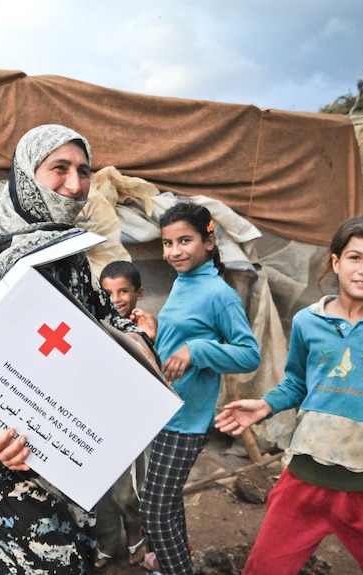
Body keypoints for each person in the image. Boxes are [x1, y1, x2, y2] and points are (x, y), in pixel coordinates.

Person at [0, 124, 150, 574]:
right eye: (59, 169)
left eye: (84, 171)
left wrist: (140, 338)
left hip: (73, 464)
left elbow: (107, 323)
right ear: (26, 176)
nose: (75, 184)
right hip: (8, 479)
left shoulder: (73, 260)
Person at [215, 214, 363, 575]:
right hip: (303, 480)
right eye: (354, 257)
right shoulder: (307, 321)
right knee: (263, 568)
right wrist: (265, 405)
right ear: (335, 261)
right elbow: (298, 382)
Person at [139, 202, 261, 575]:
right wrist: (155, 331)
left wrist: (197, 350)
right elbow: (184, 338)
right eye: (167, 243)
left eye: (185, 241)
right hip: (165, 409)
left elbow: (248, 354)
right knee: (168, 503)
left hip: (187, 419)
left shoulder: (219, 293)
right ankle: (172, 565)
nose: (174, 251)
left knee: (153, 510)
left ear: (209, 241)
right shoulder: (184, 282)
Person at [92, 261, 154, 571]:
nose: (116, 299)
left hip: (131, 420)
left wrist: (148, 337)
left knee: (129, 489)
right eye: (108, 292)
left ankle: (135, 531)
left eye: (123, 291)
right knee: (99, 486)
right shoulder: (94, 322)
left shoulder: (144, 329)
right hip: (97, 416)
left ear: (138, 294)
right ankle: (106, 542)